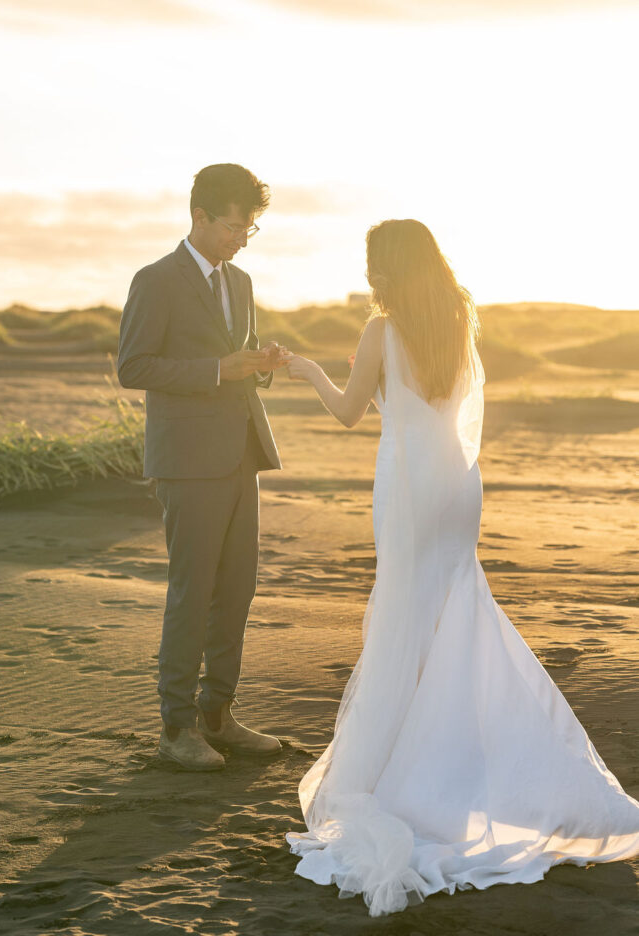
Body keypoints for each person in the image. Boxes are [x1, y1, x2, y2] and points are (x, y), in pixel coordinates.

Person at [284, 219, 639, 916]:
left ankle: (407, 767)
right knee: (453, 608)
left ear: (384, 265)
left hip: (410, 484)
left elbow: (350, 412)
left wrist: (304, 370)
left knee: (404, 615)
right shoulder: (456, 313)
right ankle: (459, 748)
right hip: (455, 481)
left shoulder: (380, 330)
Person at [118, 163, 289, 771]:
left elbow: (239, 361)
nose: (241, 237)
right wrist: (220, 369)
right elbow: (133, 367)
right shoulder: (156, 280)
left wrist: (259, 362)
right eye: (234, 226)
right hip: (187, 462)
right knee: (192, 593)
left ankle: (219, 715)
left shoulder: (239, 283)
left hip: (241, 452)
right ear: (199, 216)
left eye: (250, 228)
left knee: (237, 588)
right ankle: (176, 728)